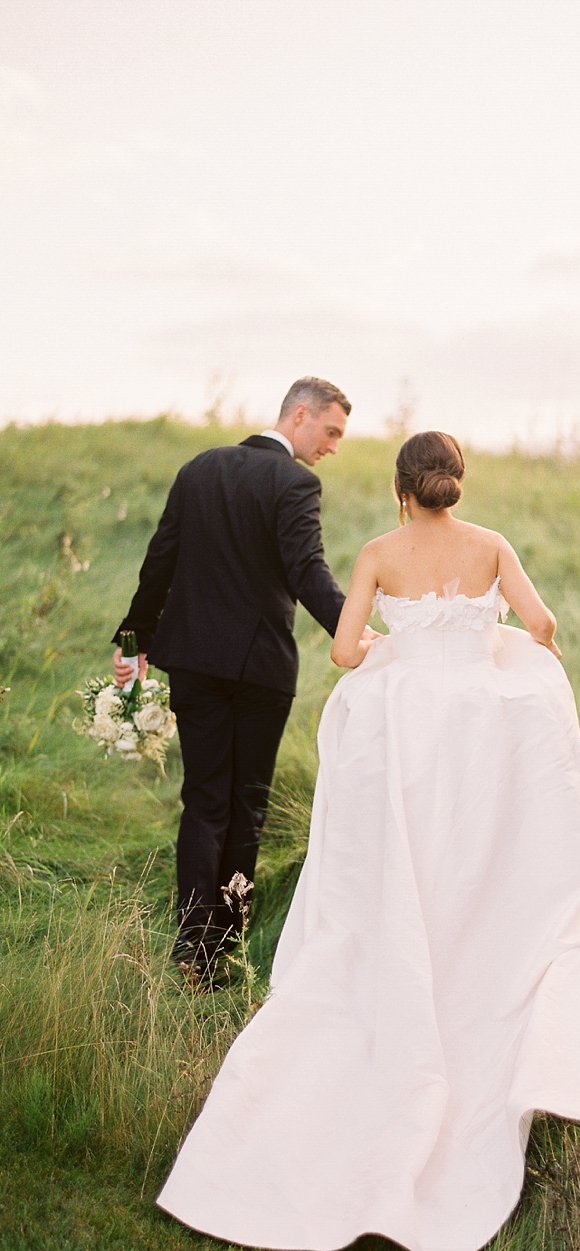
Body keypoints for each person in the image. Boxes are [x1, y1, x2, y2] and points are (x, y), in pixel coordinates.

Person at [157, 430, 580, 1251]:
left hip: (409, 729)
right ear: (455, 483)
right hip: (481, 730)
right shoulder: (492, 546)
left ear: (399, 487)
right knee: (476, 858)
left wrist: (397, 647)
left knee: (409, 860)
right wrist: (502, 646)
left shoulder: (380, 551)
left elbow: (345, 652)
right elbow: (542, 620)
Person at [112, 376, 372, 978]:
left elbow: (161, 559)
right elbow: (307, 571)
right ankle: (224, 943)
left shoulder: (199, 468)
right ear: (300, 414)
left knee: (203, 799)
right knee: (246, 805)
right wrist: (352, 633)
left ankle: (192, 948)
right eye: (331, 431)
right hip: (259, 670)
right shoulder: (296, 482)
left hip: (196, 664)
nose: (333, 445)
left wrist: (134, 642)